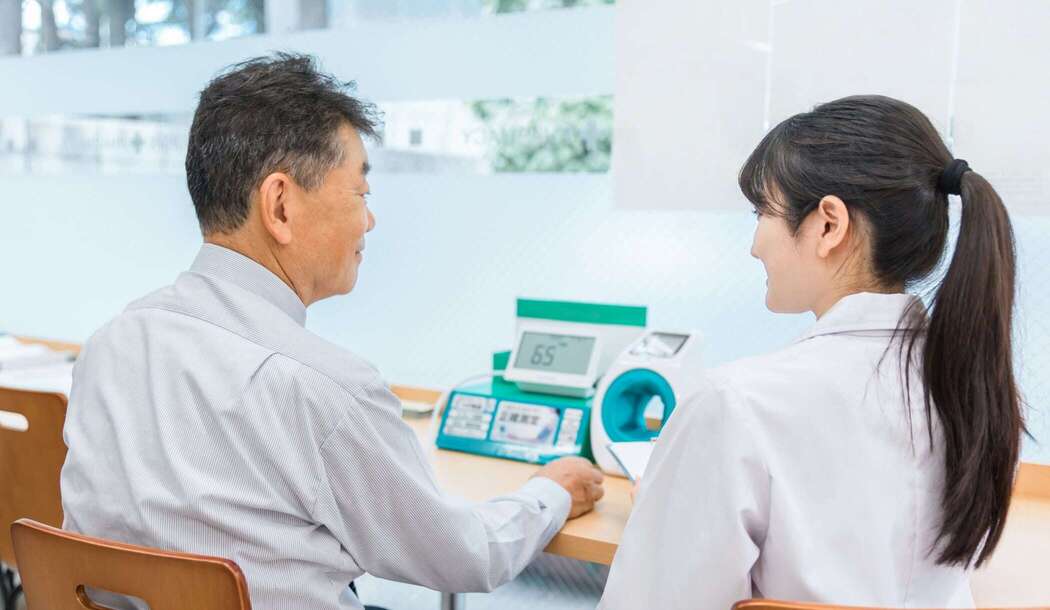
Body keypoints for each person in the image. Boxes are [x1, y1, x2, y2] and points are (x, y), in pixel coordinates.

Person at [60, 52, 604, 610]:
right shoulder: (321, 386)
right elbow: (466, 557)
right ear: (280, 206)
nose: (369, 220)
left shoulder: (109, 346)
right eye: (360, 195)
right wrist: (551, 492)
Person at [598, 95, 1024, 609]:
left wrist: (668, 521)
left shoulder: (735, 404)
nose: (754, 244)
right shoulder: (978, 397)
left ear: (828, 225)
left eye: (763, 212)